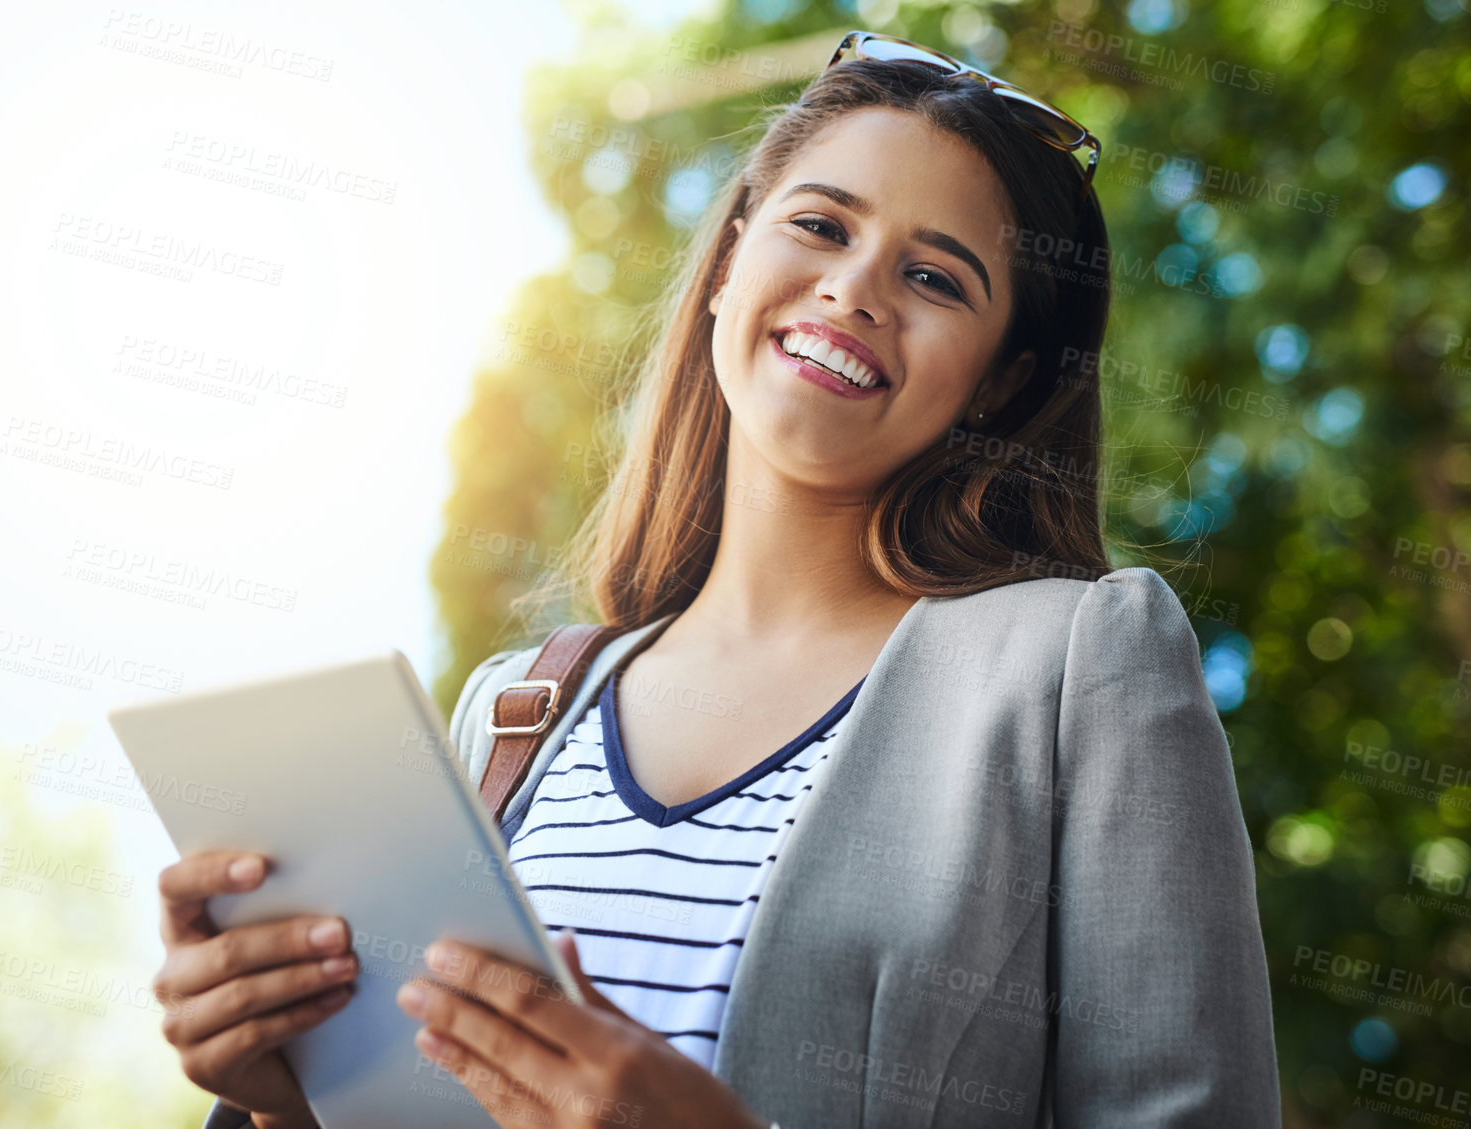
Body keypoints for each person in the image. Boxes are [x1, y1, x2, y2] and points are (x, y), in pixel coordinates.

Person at [151, 31, 1281, 1129]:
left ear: (1002, 379)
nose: (853, 289)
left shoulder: (1077, 666)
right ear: (729, 263)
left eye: (936, 276)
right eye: (820, 226)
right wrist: (286, 1097)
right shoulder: (515, 711)